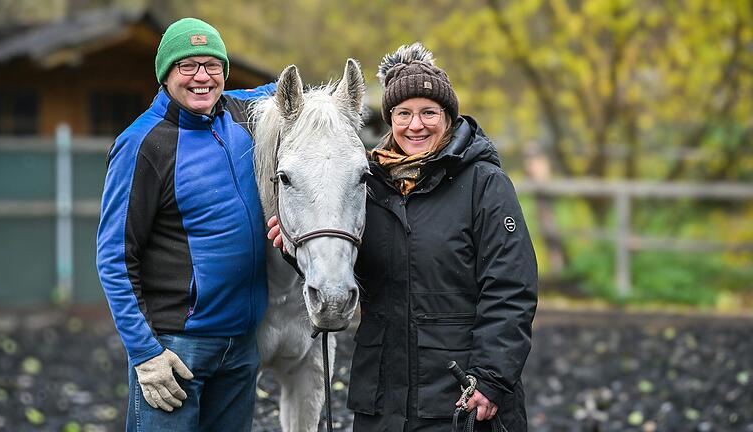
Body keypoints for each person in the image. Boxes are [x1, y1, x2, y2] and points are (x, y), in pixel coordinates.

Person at [267, 42, 538, 431]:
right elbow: (356, 267)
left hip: (462, 395)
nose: (416, 125)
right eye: (403, 113)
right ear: (390, 119)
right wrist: (297, 252)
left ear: (448, 117)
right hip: (383, 400)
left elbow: (511, 288)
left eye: (429, 112)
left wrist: (492, 378)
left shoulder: (484, 184)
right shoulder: (371, 186)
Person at [96, 17, 274, 431]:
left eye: (212, 66)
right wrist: (145, 354)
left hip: (241, 346)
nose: (201, 77)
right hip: (176, 349)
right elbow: (114, 257)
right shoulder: (143, 144)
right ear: (165, 75)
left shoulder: (238, 112)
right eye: (187, 66)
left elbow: (284, 91)